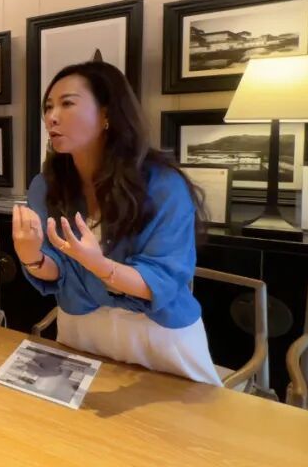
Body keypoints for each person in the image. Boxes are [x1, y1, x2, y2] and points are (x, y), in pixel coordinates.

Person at [13, 59, 221, 385]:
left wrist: (99, 265)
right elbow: (58, 270)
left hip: (156, 335)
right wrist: (31, 257)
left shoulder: (163, 185)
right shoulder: (47, 185)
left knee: (178, 419)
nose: (51, 116)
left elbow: (162, 279)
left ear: (107, 114)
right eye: (49, 106)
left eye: (67, 103)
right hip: (81, 330)